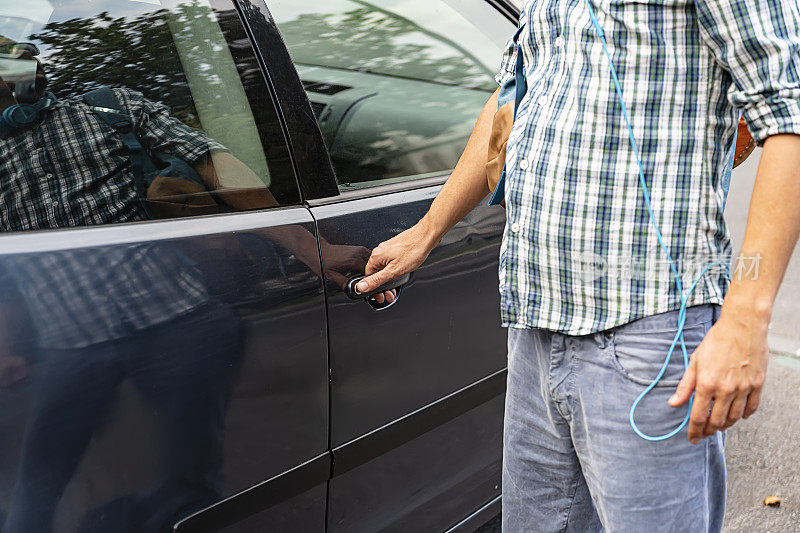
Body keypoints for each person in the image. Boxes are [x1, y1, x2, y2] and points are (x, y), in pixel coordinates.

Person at [356, 0, 800, 530]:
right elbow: (514, 95)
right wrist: (427, 232)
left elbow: (789, 117)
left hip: (648, 330)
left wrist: (746, 319)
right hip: (536, 325)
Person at [0, 34, 381, 532]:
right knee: (36, 489)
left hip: (178, 324)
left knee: (192, 480)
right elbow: (9, 270)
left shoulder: (109, 109)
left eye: (25, 64)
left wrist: (310, 248)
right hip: (70, 345)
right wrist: (7, 346)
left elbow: (215, 166)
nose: (26, 72)